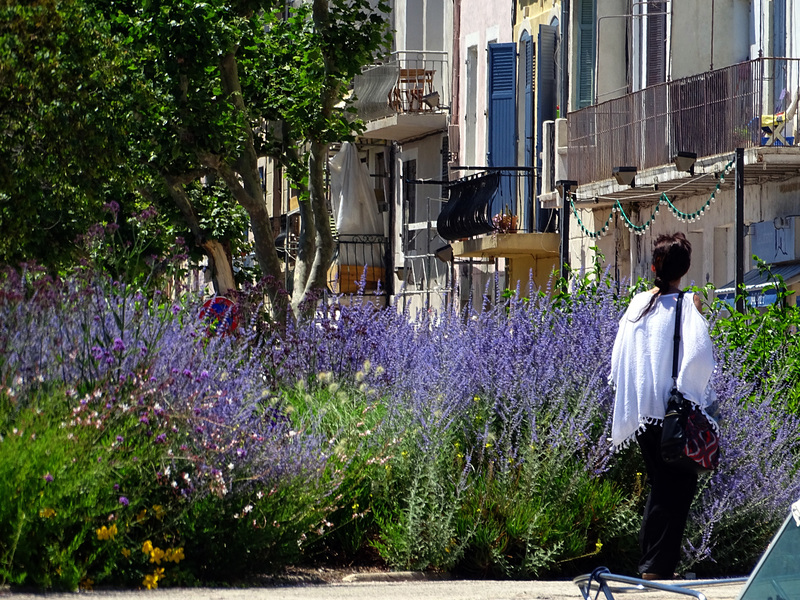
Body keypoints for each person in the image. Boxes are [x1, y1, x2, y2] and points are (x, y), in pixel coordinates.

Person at [608, 232, 716, 580]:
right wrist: (694, 394)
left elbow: (620, 354)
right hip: (672, 414)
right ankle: (656, 569)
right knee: (677, 488)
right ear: (684, 270)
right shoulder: (686, 306)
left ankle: (653, 566)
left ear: (654, 266)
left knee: (662, 484)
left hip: (641, 412)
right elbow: (700, 356)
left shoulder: (639, 304)